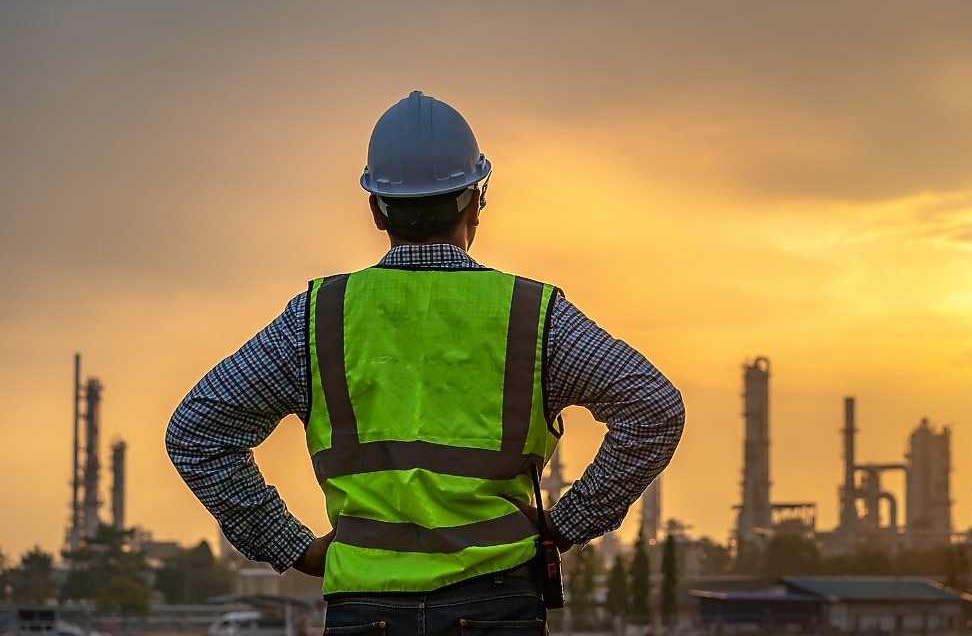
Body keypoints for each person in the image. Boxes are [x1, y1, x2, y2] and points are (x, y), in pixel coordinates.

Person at [166, 91, 685, 636]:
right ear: (475, 201)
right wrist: (566, 526)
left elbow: (197, 433)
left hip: (366, 608)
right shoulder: (533, 317)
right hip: (498, 599)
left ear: (374, 208)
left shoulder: (318, 319)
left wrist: (291, 547)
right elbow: (653, 408)